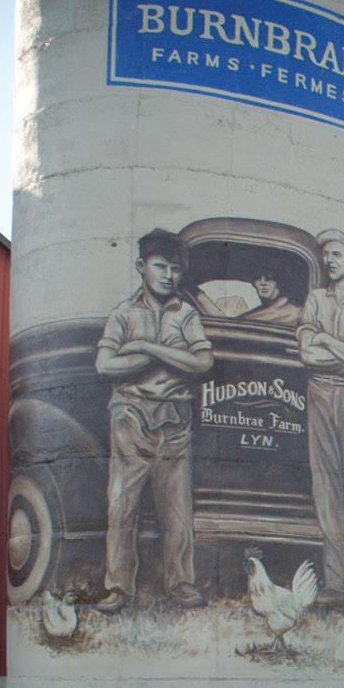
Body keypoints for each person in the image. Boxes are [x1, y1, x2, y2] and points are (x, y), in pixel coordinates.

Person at [94, 227, 214, 612]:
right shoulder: (123, 313)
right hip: (130, 416)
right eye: (160, 266)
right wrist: (171, 357)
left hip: (175, 418)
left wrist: (147, 347)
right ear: (141, 266)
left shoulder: (187, 314)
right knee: (122, 504)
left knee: (177, 508)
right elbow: (104, 364)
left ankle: (180, 583)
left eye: (175, 269)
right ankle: (118, 587)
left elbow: (202, 362)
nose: (168, 276)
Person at [296, 228, 344, 608]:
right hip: (320, 393)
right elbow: (306, 355)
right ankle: (335, 584)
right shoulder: (314, 300)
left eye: (337, 254)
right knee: (326, 487)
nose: (330, 260)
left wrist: (326, 340)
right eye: (326, 254)